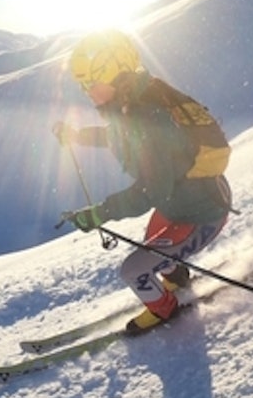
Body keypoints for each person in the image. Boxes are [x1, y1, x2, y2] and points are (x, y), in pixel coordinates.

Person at [54, 30, 233, 335]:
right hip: (182, 203)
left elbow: (150, 191)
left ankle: (165, 309)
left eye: (91, 84)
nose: (87, 92)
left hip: (202, 214)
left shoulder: (149, 116)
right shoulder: (134, 103)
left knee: (133, 269)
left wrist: (100, 212)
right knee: (152, 242)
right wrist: (77, 136)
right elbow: (118, 137)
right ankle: (177, 279)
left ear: (115, 77)